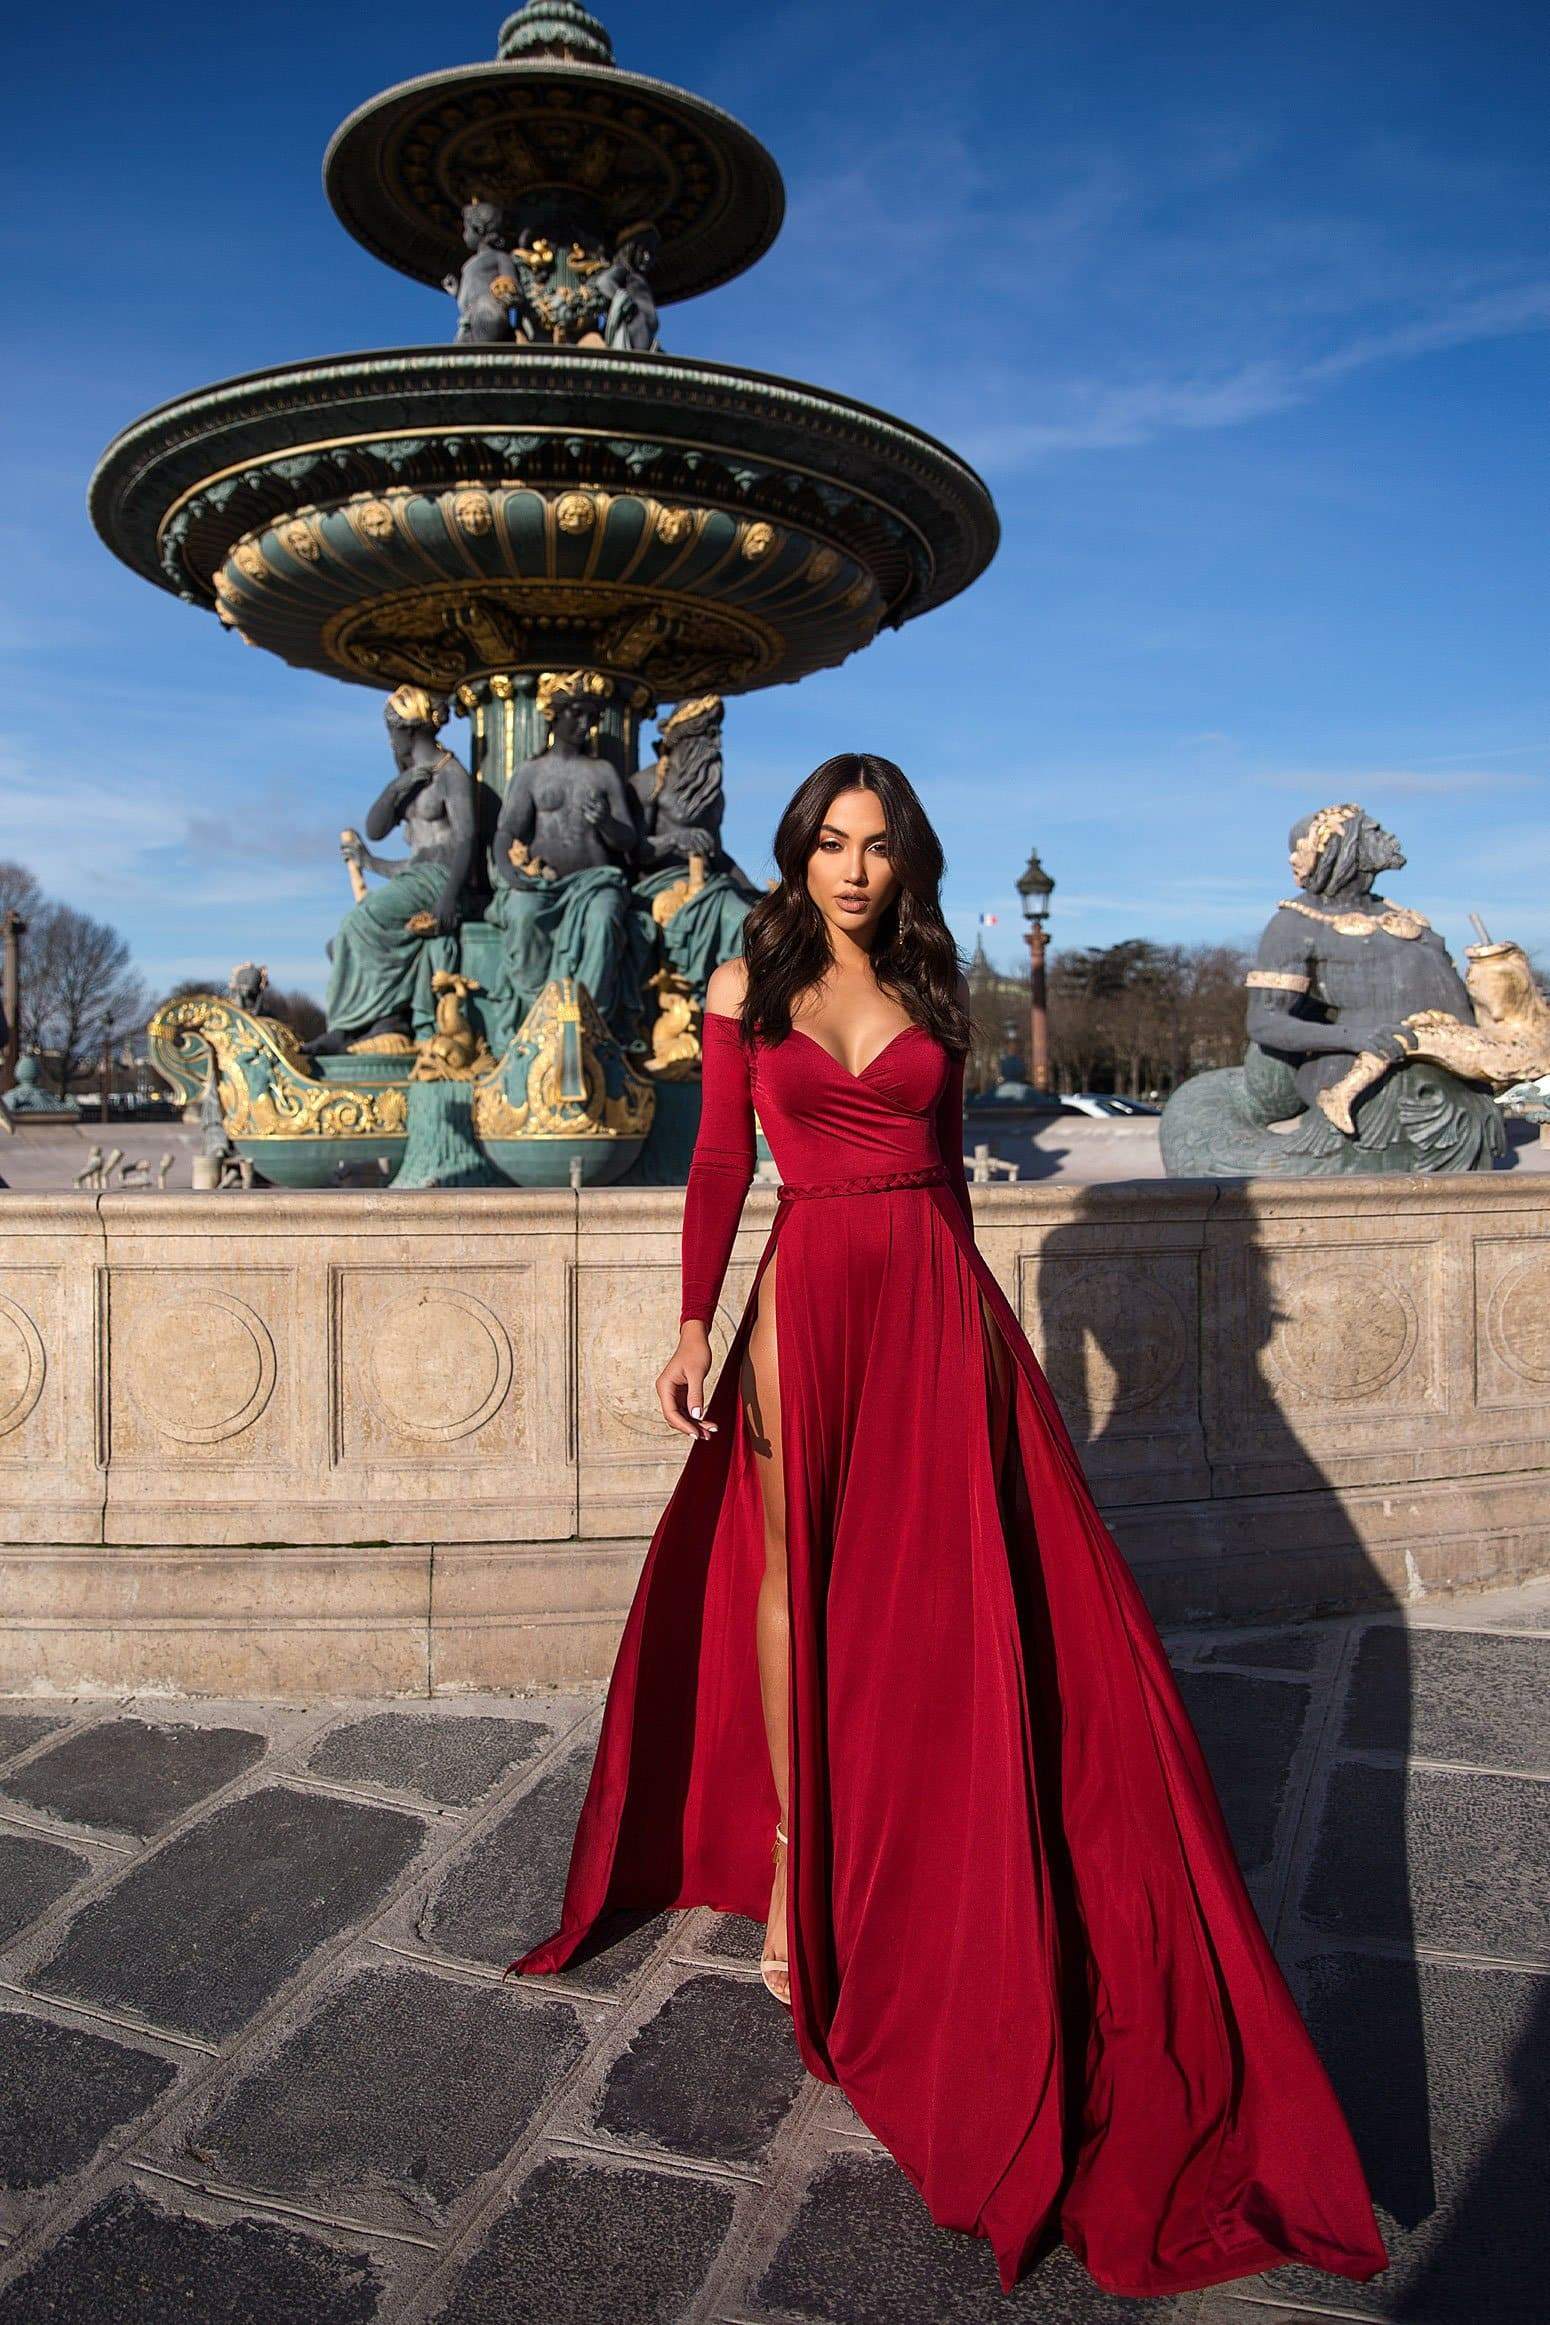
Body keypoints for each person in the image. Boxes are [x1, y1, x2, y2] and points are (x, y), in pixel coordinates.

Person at [506, 753, 1389, 2301]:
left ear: (906, 857)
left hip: (928, 1299)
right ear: (796, 854)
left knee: (946, 1601)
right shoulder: (740, 977)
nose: (852, 867)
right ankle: (796, 1856)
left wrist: (987, 1347)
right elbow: (723, 1156)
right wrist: (692, 1319)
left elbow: (955, 1189)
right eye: (829, 843)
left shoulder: (934, 979)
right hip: (807, 1301)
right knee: (794, 1582)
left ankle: (937, 1832)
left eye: (876, 844)